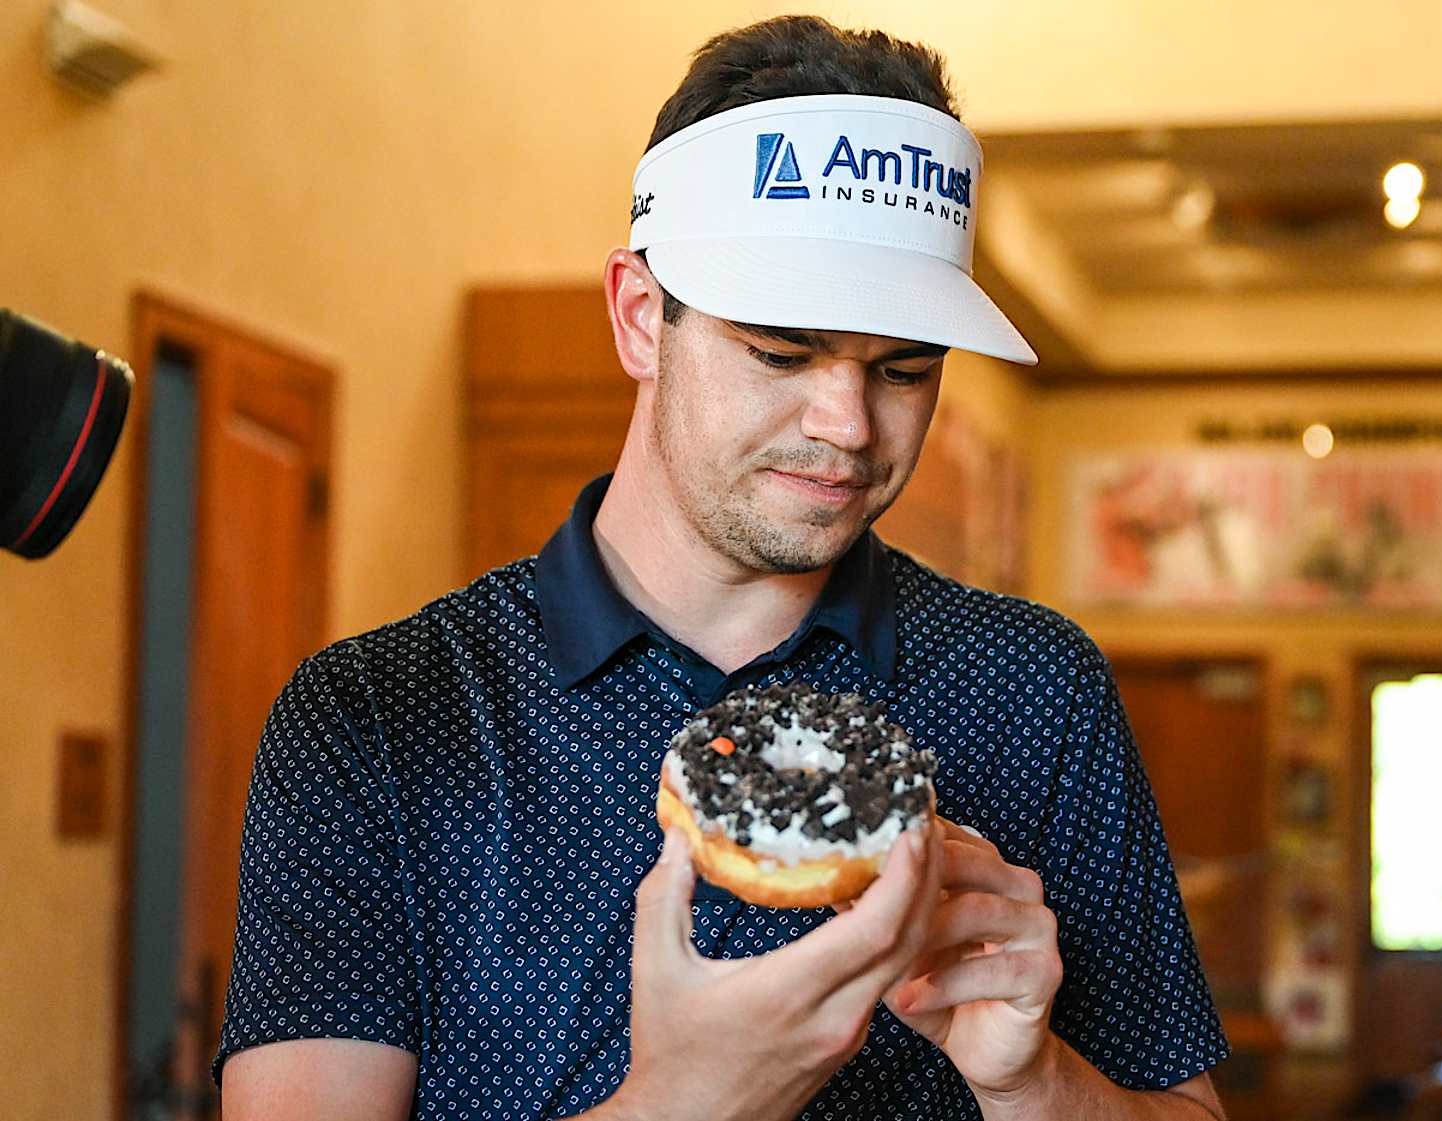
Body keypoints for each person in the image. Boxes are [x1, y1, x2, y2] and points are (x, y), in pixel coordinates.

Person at [215, 15, 1229, 1121]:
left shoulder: (1034, 686)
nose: (847, 425)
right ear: (642, 316)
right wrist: (692, 1098)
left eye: (902, 368)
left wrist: (1032, 1080)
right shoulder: (378, 714)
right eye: (781, 352)